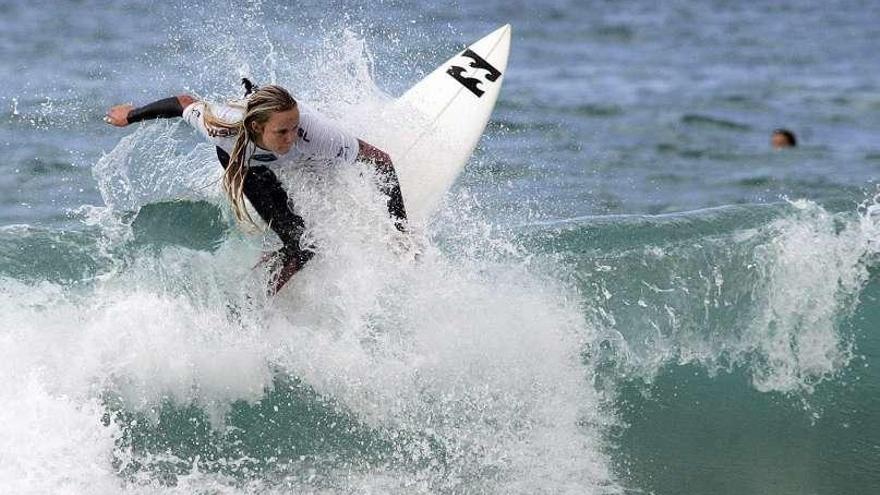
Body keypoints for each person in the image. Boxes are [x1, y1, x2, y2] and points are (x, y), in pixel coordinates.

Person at [104, 80, 407, 294]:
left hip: (300, 159)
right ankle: (254, 298)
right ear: (257, 127)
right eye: (282, 131)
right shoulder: (221, 127)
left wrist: (400, 231)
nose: (292, 137)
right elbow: (183, 103)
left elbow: (381, 160)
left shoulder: (314, 135)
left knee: (321, 168)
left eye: (294, 127)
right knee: (301, 247)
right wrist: (130, 116)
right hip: (246, 162)